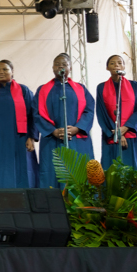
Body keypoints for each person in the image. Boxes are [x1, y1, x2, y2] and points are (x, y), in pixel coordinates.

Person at [34, 53, 95, 187]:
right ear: (52, 68)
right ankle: (53, 206)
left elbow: (89, 109)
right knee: (52, 175)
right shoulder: (43, 90)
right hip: (52, 139)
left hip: (77, 140)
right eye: (57, 64)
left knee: (79, 175)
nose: (61, 66)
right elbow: (36, 113)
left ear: (70, 68)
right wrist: (53, 131)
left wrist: (78, 128)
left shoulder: (80, 89)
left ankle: (79, 207)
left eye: (64, 64)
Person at [0, 60, 38, 189]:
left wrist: (31, 137)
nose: (1, 72)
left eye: (5, 69)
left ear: (12, 71)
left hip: (19, 139)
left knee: (22, 174)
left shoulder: (23, 90)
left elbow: (33, 114)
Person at [96, 54, 137, 171]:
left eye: (119, 63)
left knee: (134, 168)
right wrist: (117, 132)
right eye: (112, 63)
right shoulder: (101, 88)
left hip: (131, 133)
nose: (116, 65)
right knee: (112, 170)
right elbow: (102, 112)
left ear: (124, 66)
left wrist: (126, 127)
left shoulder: (135, 86)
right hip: (111, 134)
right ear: (107, 68)